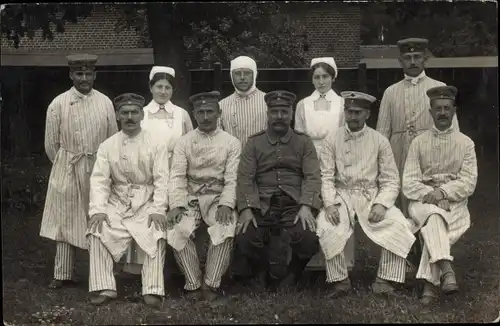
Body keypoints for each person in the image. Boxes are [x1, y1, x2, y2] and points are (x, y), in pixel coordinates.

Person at [316, 91, 416, 297]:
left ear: (367, 114)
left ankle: (384, 281)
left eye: (358, 112)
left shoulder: (379, 140)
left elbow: (390, 179)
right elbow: (325, 176)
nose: (352, 116)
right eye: (349, 111)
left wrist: (382, 203)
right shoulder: (331, 139)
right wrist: (330, 204)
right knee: (328, 225)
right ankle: (339, 281)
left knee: (398, 224)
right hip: (341, 195)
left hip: (371, 195)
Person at [40, 53, 118, 289]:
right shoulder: (58, 103)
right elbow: (51, 144)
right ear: (71, 75)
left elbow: (113, 138)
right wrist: (65, 165)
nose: (84, 78)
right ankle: (62, 273)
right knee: (66, 218)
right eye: (79, 74)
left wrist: (104, 167)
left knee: (98, 216)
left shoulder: (105, 102)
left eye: (88, 74)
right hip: (68, 166)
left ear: (94, 75)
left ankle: (100, 272)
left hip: (97, 167)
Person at [86, 93, 169, 308]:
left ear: (142, 115)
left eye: (134, 112)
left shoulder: (157, 143)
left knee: (156, 229)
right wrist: (98, 209)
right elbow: (100, 180)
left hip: (147, 200)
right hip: (118, 201)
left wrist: (159, 208)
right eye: (125, 113)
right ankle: (104, 286)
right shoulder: (107, 145)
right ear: (117, 115)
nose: (130, 117)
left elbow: (162, 179)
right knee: (97, 228)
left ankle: (153, 288)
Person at [235, 90, 321, 291]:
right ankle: (261, 272)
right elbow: (245, 177)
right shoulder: (254, 143)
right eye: (275, 112)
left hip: (295, 203)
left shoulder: (304, 142)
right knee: (245, 236)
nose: (279, 117)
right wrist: (247, 208)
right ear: (268, 114)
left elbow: (312, 176)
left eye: (284, 111)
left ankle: (293, 274)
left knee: (309, 237)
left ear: (291, 113)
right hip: (262, 202)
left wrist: (307, 205)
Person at [402, 86, 478, 305]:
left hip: (455, 203)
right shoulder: (418, 142)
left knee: (434, 227)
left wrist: (444, 192)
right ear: (431, 112)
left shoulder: (466, 143)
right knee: (434, 216)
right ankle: (446, 269)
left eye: (447, 108)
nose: (442, 113)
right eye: (438, 109)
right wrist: (434, 194)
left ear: (454, 111)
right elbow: (409, 182)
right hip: (423, 202)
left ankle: (429, 286)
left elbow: (468, 182)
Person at [166, 91, 241, 301]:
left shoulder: (231, 142)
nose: (206, 117)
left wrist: (227, 203)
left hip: (218, 196)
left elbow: (232, 178)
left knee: (225, 225)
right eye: (201, 112)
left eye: (210, 111)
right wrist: (177, 205)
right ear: (194, 114)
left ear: (219, 113)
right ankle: (193, 283)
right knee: (177, 227)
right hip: (191, 196)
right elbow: (178, 176)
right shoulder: (184, 142)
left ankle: (211, 283)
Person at [120, 66, 193, 276]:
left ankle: (176, 265)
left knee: (175, 216)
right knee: (148, 214)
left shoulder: (181, 114)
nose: (163, 91)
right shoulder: (141, 114)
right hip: (148, 171)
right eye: (159, 87)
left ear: (173, 90)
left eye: (167, 87)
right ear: (151, 88)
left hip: (176, 170)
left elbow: (188, 142)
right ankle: (144, 268)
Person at [376, 38, 460, 217]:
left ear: (425, 59)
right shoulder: (390, 92)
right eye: (408, 57)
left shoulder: (439, 88)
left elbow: (454, 133)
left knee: (430, 203)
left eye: (417, 57)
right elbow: (381, 136)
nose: (413, 62)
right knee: (400, 204)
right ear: (400, 61)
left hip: (431, 154)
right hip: (399, 154)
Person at [294, 56, 355, 271]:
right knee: (313, 201)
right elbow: (299, 135)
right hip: (310, 157)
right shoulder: (303, 105)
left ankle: (342, 260)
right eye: (317, 77)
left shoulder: (342, 104)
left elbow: (344, 134)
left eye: (325, 77)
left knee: (336, 201)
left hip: (335, 156)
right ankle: (314, 258)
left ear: (333, 78)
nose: (321, 81)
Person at [219, 56, 267, 149]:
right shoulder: (221, 105)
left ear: (255, 74)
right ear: (231, 76)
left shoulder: (267, 102)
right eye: (237, 73)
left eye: (247, 73)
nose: (242, 77)